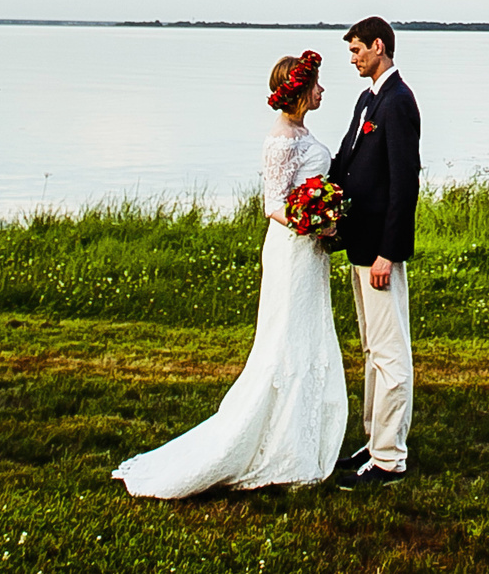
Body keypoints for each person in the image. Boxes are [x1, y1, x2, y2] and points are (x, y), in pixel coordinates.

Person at [111, 52, 347, 497]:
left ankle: (301, 436)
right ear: (299, 91)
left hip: (309, 252)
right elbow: (273, 204)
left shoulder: (301, 132)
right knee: (286, 339)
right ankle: (275, 442)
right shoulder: (280, 140)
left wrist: (321, 220)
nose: (322, 91)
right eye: (316, 84)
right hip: (292, 250)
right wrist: (313, 222)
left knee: (308, 335)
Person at [328, 16, 419, 485]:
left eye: (357, 50)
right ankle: (372, 440)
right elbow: (346, 161)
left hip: (379, 253)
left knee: (390, 354)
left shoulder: (399, 103)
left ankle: (390, 459)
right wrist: (316, 200)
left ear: (379, 46)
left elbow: (405, 185)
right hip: (358, 246)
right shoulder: (368, 100)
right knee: (370, 351)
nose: (353, 58)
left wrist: (390, 251)